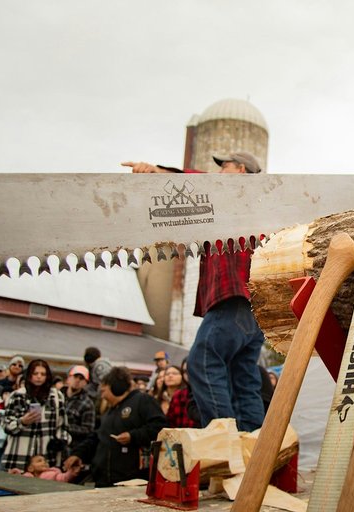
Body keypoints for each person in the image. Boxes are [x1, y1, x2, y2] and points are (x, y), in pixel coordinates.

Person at [124, 151, 268, 432]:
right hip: (256, 311)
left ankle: (222, 440)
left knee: (202, 361)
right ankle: (252, 446)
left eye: (224, 166)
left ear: (240, 170)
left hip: (233, 300)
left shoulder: (229, 193)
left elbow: (191, 184)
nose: (218, 172)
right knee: (244, 378)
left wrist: (155, 171)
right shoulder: (260, 204)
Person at [64, 366, 167, 487]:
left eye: (104, 391)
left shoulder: (143, 400)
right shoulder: (110, 412)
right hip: (104, 480)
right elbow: (97, 437)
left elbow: (160, 427)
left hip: (132, 480)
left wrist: (132, 436)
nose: (102, 396)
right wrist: (79, 454)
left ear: (116, 387)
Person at [0, 359, 70, 471]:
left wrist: (61, 441)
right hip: (20, 453)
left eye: (43, 374)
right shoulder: (17, 395)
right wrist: (22, 422)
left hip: (47, 454)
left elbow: (63, 425)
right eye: (35, 373)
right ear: (29, 375)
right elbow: (6, 425)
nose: (39, 377)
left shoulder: (57, 396)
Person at [62, 365, 95, 450]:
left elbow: (88, 430)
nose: (77, 380)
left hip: (71, 447)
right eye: (75, 376)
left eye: (81, 378)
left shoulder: (88, 404)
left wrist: (66, 426)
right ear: (68, 378)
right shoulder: (56, 396)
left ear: (85, 383)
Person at [166, 361, 200, 428]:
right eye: (185, 371)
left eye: (192, 369)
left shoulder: (212, 394)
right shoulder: (178, 396)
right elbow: (170, 422)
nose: (189, 374)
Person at [9, 454, 81, 482]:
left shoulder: (52, 474)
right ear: (31, 468)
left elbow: (64, 477)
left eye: (45, 461)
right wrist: (16, 474)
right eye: (39, 461)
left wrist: (72, 471)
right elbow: (19, 482)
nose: (44, 462)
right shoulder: (27, 476)